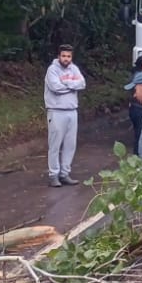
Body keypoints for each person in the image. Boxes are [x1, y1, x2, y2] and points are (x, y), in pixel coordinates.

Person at [44, 44, 85, 187]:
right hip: (56, 111)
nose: (66, 59)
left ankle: (65, 173)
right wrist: (73, 85)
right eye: (63, 56)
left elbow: (82, 84)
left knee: (70, 144)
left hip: (72, 111)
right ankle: (53, 175)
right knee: (55, 145)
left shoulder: (74, 68)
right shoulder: (52, 70)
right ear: (58, 56)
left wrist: (66, 82)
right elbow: (55, 87)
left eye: (68, 56)